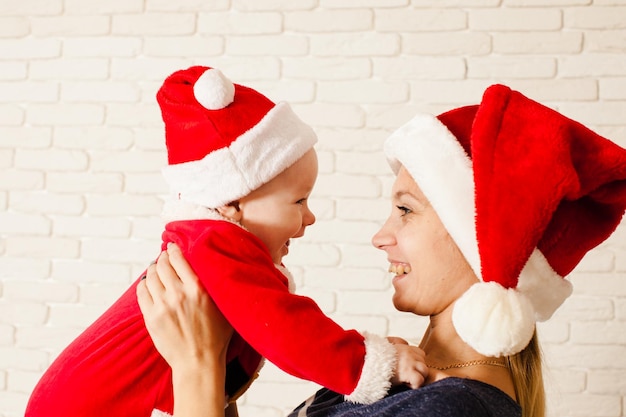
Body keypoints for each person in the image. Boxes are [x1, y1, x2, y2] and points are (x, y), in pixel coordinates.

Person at [137, 83, 626, 417]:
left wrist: (198, 368)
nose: (380, 236)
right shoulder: (407, 376)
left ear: (483, 241)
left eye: (406, 211)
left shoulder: (451, 409)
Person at [25, 66, 428, 417]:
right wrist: (371, 363)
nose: (310, 217)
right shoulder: (214, 244)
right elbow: (285, 328)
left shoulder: (204, 244)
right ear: (233, 202)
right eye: (299, 201)